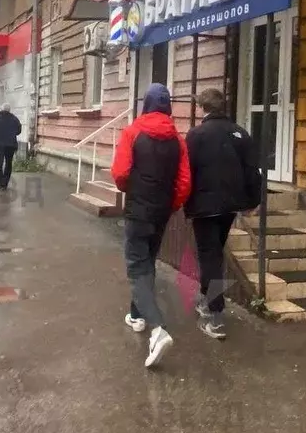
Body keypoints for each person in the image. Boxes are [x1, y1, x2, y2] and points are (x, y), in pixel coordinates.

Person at [111, 83, 191, 368]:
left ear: (146, 104)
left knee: (136, 266)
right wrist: (172, 205)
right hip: (161, 213)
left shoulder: (133, 132)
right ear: (168, 106)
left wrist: (131, 190)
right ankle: (137, 315)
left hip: (137, 211)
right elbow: (184, 183)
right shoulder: (177, 139)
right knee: (148, 262)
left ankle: (157, 329)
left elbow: (120, 173)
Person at [184, 88, 262, 340]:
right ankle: (207, 300)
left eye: (197, 106)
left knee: (210, 257)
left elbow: (187, 174)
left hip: (205, 206)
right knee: (214, 252)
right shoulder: (240, 133)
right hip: (230, 205)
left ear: (203, 108)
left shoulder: (196, 135)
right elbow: (252, 170)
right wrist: (253, 200)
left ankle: (215, 318)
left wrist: (182, 201)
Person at [0, 104, 22, 191]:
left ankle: (0, 183)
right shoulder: (14, 118)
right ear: (9, 110)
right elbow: (18, 131)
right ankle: (5, 183)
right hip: (10, 145)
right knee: (8, 164)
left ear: (1, 109)